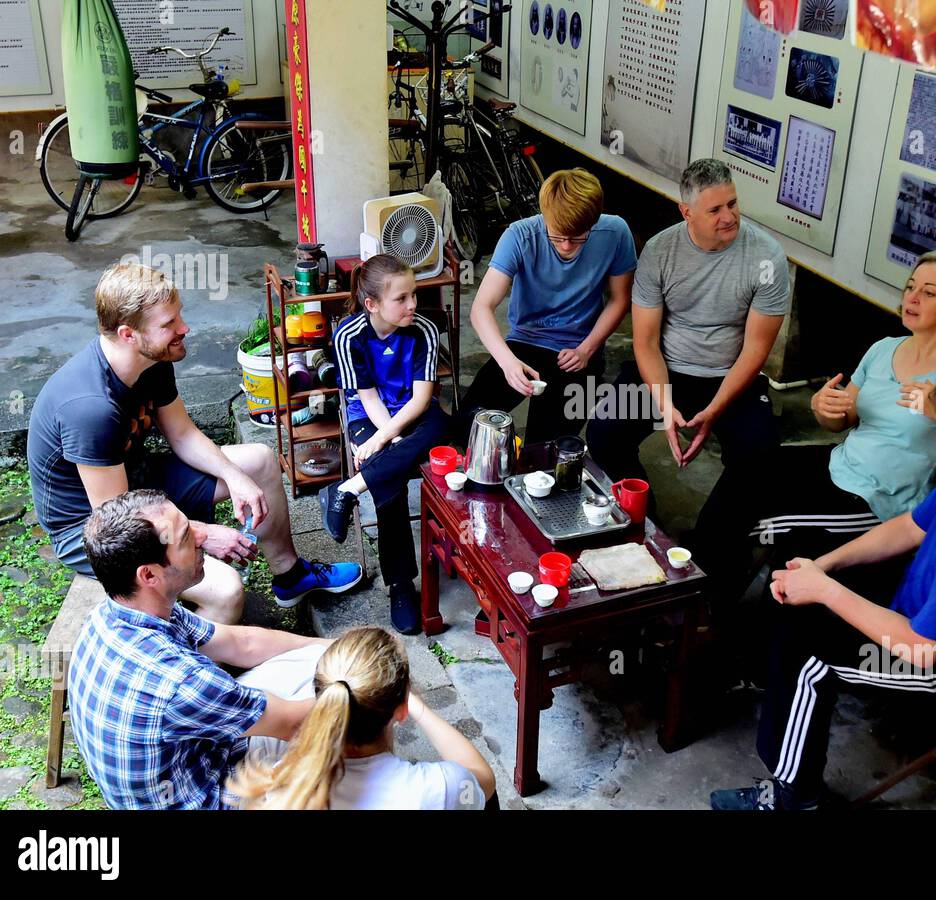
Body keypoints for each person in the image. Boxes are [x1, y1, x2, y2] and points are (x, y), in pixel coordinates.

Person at [711, 352, 936, 810]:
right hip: (928, 599)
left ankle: (793, 799)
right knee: (797, 600)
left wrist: (827, 591)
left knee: (809, 656)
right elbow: (911, 527)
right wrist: (825, 566)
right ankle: (782, 700)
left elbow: (924, 648)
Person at [27, 263, 362, 623]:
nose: (184, 328)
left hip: (140, 485)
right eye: (169, 324)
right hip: (91, 528)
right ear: (128, 334)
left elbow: (183, 434)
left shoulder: (151, 359)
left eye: (179, 316)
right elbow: (116, 521)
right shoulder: (90, 409)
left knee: (260, 462)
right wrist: (201, 534)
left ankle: (291, 576)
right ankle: (190, 672)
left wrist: (235, 477)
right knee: (227, 590)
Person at [587, 159, 790, 594]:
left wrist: (713, 411)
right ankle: (648, 525)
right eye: (715, 209)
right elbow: (644, 342)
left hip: (731, 376)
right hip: (667, 369)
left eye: (733, 204)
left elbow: (756, 350)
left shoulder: (766, 257)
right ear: (687, 213)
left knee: (759, 456)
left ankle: (709, 550)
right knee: (604, 433)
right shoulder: (660, 251)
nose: (729, 216)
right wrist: (665, 404)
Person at [67, 490, 332, 810]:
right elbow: (295, 722)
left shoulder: (116, 613)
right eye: (185, 537)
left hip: (189, 764)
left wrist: (335, 646)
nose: (203, 534)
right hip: (209, 794)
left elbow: (240, 643)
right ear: (148, 574)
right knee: (340, 743)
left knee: (319, 661)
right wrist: (368, 672)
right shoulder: (182, 682)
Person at [744, 251, 936, 600]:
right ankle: (699, 585)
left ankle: (720, 605)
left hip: (877, 500)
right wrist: (823, 407)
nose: (912, 298)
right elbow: (841, 421)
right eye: (910, 287)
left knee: (762, 523)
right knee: (745, 471)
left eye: (929, 293)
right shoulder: (884, 348)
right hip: (839, 463)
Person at [317, 256, 450, 635]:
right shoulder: (348, 335)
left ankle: (346, 490)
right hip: (369, 416)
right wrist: (389, 438)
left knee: (442, 424)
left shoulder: (422, 330)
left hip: (414, 416)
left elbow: (421, 400)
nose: (413, 305)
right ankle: (402, 584)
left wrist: (383, 441)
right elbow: (369, 399)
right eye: (402, 298)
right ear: (372, 304)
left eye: (414, 295)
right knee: (389, 481)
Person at [459, 167, 636, 443]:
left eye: (578, 237)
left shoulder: (615, 232)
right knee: (468, 426)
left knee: (547, 450)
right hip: (525, 342)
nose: (566, 246)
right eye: (557, 236)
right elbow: (481, 308)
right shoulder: (519, 235)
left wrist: (587, 349)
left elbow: (620, 298)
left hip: (579, 351)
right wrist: (507, 363)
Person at [228, 626, 496, 810]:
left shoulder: (279, 783)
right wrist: (417, 706)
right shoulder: (439, 788)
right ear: (399, 710)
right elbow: (484, 780)